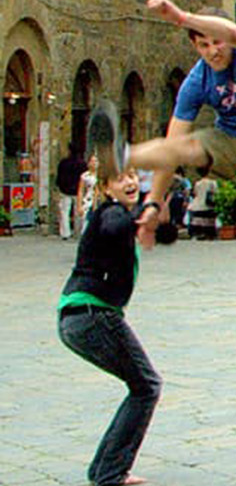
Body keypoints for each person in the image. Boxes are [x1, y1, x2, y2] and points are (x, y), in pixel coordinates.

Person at [123, 0, 236, 354]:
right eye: (203, 44)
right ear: (194, 45)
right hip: (228, 141)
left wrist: (182, 17)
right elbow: (173, 141)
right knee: (184, 146)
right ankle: (120, 153)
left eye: (216, 42)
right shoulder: (198, 80)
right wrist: (154, 203)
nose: (213, 51)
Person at [57, 121, 159, 486]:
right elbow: (117, 226)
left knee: (141, 386)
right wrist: (140, 220)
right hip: (92, 315)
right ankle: (111, 473)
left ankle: (104, 470)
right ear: (105, 187)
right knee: (147, 385)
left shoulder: (108, 212)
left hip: (78, 316)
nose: (130, 182)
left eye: (133, 175)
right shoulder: (111, 213)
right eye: (121, 179)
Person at [56, 143, 86, 240]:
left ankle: (65, 233)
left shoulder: (63, 163)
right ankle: (78, 232)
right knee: (78, 211)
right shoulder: (82, 164)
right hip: (77, 190)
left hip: (65, 190)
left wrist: (60, 186)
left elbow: (59, 176)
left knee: (64, 211)